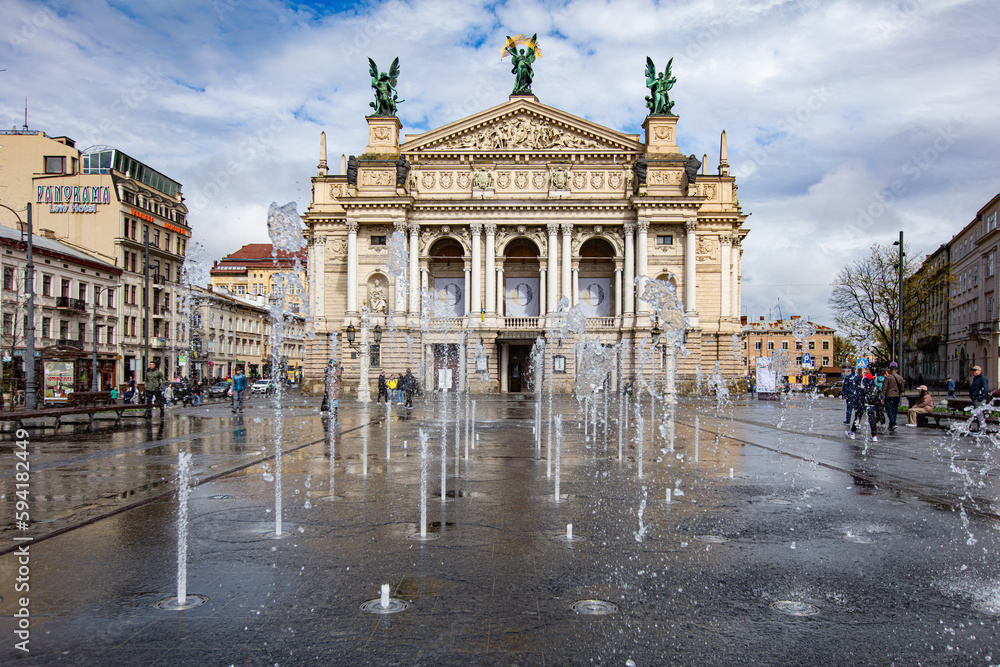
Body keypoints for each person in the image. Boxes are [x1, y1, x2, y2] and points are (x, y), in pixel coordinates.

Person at [849, 365, 879, 441]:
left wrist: (855, 403)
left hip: (862, 401)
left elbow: (858, 392)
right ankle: (874, 435)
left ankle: (852, 433)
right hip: (870, 401)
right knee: (872, 418)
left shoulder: (861, 379)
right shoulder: (872, 379)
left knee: (858, 417)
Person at [882, 362, 905, 432]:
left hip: (889, 395)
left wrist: (882, 397)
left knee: (889, 410)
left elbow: (884, 388)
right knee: (894, 410)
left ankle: (893, 423)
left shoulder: (888, 377)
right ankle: (891, 425)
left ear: (890, 370)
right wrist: (901, 392)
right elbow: (902, 387)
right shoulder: (900, 378)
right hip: (897, 395)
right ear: (896, 370)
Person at [969, 365, 990, 432]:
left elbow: (985, 389)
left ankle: (982, 430)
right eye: (973, 371)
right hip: (975, 399)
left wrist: (981, 398)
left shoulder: (982, 378)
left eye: (975, 371)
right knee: (978, 415)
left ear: (979, 371)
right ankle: (980, 428)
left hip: (979, 399)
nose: (973, 372)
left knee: (979, 415)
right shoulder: (976, 378)